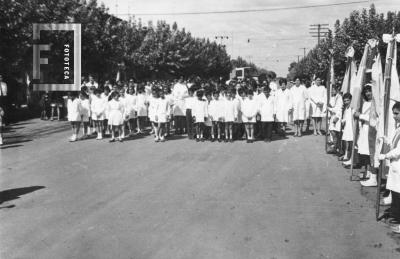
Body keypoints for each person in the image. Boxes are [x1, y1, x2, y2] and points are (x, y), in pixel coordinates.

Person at [378, 102, 400, 233]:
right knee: (396, 194)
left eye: (396, 113)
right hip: (396, 167)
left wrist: (385, 155)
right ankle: (396, 218)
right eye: (393, 113)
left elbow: (398, 151)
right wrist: (385, 139)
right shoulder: (398, 128)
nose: (394, 116)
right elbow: (394, 144)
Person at [356, 85, 375, 186]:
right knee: (364, 152)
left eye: (370, 91)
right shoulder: (365, 103)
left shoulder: (375, 103)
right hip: (364, 130)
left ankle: (373, 176)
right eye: (366, 91)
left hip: (371, 130)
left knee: (370, 152)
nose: (368, 93)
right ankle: (367, 171)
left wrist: (361, 116)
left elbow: (373, 118)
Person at [327, 86, 343, 154]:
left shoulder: (339, 98)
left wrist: (329, 109)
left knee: (336, 133)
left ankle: (338, 148)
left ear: (337, 90)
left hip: (337, 117)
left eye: (333, 90)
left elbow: (338, 109)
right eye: (332, 90)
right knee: (331, 131)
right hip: (332, 116)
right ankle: (335, 147)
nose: (332, 91)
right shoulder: (333, 97)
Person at [340, 93, 354, 164]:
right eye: (345, 101)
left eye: (348, 100)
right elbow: (345, 117)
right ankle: (346, 155)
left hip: (352, 128)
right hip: (347, 128)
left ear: (351, 100)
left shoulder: (352, 108)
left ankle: (351, 158)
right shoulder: (346, 108)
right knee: (347, 142)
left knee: (352, 143)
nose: (346, 102)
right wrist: (342, 121)